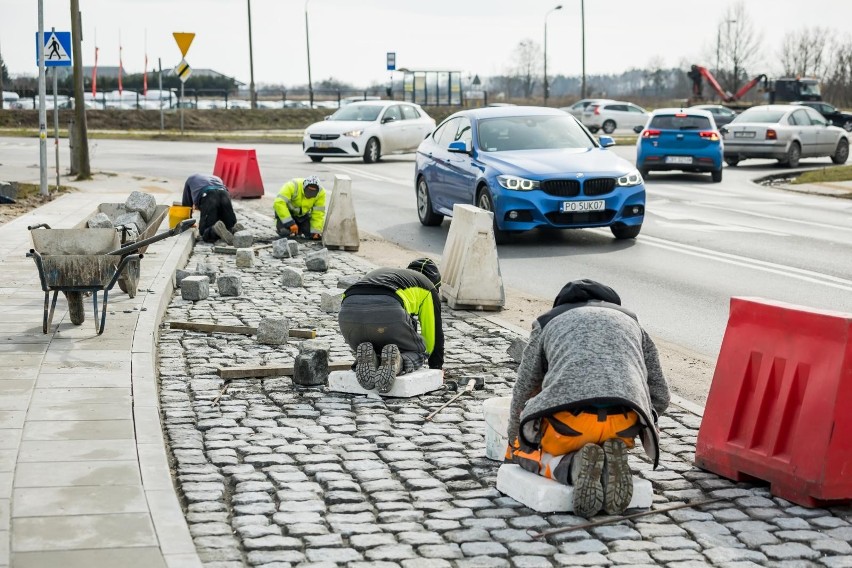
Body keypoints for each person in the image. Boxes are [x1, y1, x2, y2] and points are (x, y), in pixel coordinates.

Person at [505, 279, 670, 518]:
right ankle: (607, 461)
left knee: (524, 453)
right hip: (622, 426)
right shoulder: (632, 322)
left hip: (569, 427)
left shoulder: (547, 321)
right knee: (607, 436)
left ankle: (574, 467)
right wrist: (643, 422)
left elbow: (524, 388)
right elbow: (661, 395)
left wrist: (515, 439)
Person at [338, 258, 444, 393]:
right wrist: (436, 368)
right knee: (421, 350)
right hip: (388, 310)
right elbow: (433, 334)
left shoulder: (383, 273)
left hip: (347, 316)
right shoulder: (428, 286)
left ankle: (371, 359)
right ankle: (399, 362)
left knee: (379, 339)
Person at [181, 173, 241, 244]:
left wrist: (188, 222)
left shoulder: (190, 179)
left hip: (209, 196)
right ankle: (233, 229)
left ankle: (214, 230)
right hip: (224, 194)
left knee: (204, 232)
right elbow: (224, 202)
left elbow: (186, 203)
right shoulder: (217, 178)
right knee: (227, 225)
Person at [274, 175, 326, 240]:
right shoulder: (292, 186)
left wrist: (316, 231)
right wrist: (290, 223)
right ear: (304, 187)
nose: (310, 194)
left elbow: (318, 213)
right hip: (288, 213)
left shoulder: (321, 193)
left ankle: (299, 229)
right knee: (286, 233)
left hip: (303, 216)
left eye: (313, 192)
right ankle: (286, 228)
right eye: (309, 191)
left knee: (312, 235)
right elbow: (279, 203)